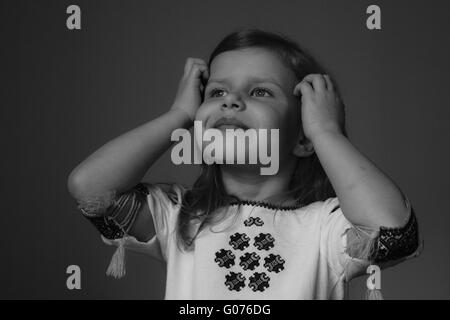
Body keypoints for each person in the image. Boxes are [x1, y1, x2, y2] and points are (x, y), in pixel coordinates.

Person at [67, 29, 422, 299]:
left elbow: (393, 231)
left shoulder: (323, 231)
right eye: (216, 93)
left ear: (302, 139)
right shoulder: (179, 216)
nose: (231, 101)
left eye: (260, 92)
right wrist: (178, 115)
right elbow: (91, 188)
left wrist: (326, 132)